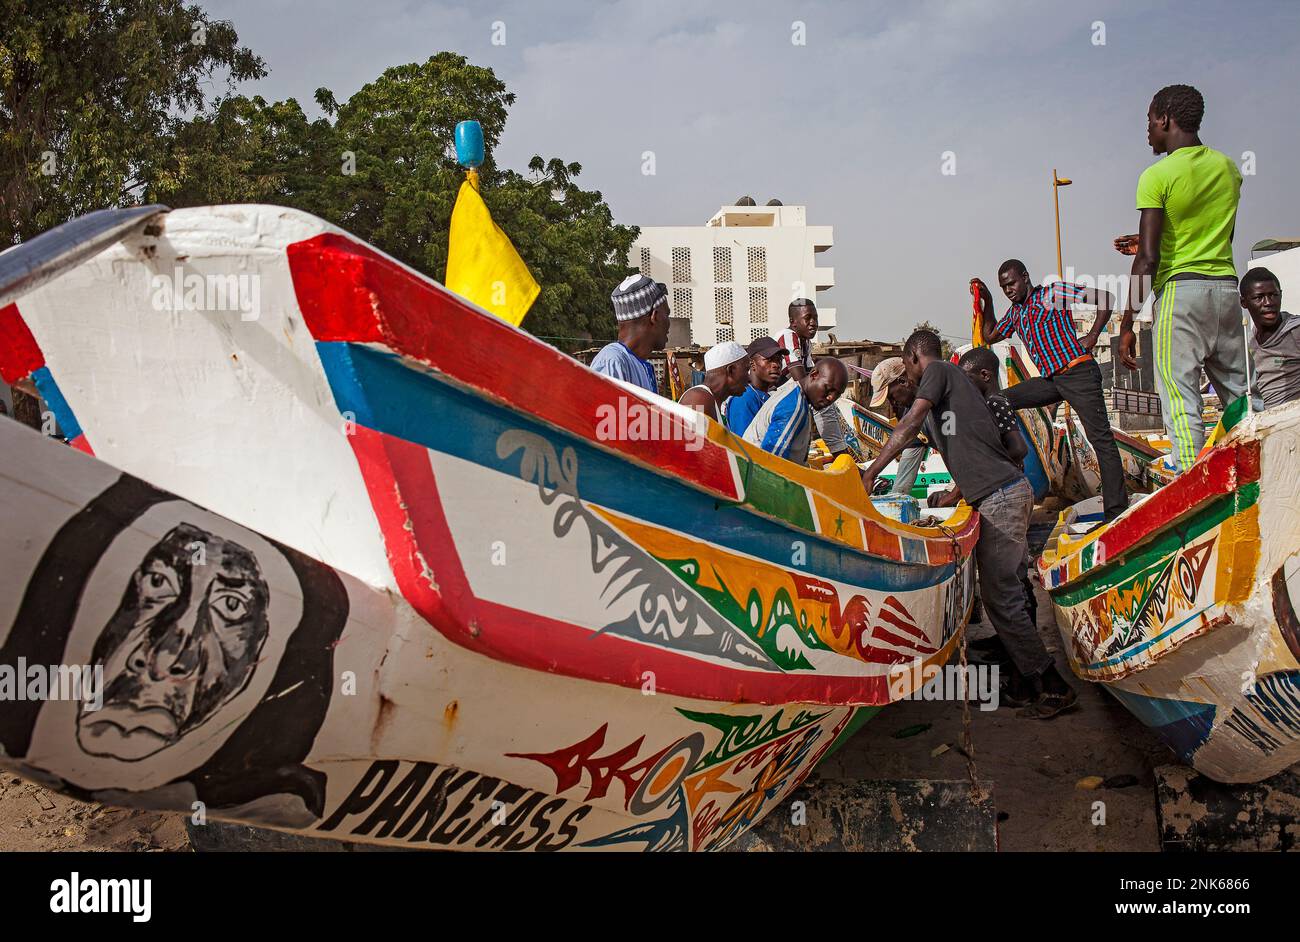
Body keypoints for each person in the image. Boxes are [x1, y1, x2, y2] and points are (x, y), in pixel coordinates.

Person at [861, 330, 1076, 718]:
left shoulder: (939, 370)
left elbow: (910, 424)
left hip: (1002, 497)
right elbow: (976, 445)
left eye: (894, 396)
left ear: (911, 365)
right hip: (999, 494)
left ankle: (1052, 685)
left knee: (1002, 597)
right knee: (1004, 595)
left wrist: (871, 471)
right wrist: (955, 495)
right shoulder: (947, 406)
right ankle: (1027, 684)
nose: (895, 407)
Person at [1114, 83, 1246, 472]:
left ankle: (1190, 479)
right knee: (1240, 393)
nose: (1148, 131)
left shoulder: (1157, 176)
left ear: (1165, 119)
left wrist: (1127, 322)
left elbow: (1148, 260)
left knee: (1179, 393)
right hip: (1225, 288)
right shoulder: (1228, 168)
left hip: (1179, 293)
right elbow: (1221, 234)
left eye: (1150, 121)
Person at [975, 261, 1126, 521]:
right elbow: (989, 335)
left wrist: (1091, 336)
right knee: (999, 401)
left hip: (1078, 373)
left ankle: (1116, 514)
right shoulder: (1015, 313)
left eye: (1011, 283)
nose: (1008, 290)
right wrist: (987, 299)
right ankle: (1016, 458)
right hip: (1051, 380)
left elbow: (1105, 298)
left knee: (1101, 440)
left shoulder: (1052, 294)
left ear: (1025, 277)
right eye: (1003, 287)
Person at [779, 299, 854, 458]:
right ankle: (840, 454)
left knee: (826, 402)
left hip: (787, 393)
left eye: (815, 318)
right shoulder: (788, 336)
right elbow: (801, 379)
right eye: (808, 318)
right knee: (823, 405)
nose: (813, 323)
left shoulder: (805, 341)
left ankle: (840, 452)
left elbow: (810, 375)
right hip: (774, 394)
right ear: (793, 322)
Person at [743, 358, 848, 466]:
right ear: (814, 375)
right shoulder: (793, 406)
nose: (831, 398)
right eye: (828, 388)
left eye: (837, 394)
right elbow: (771, 464)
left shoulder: (796, 395)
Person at [590, 274, 671, 393]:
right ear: (655, 316)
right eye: (667, 315)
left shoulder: (641, 365)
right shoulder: (612, 362)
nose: (669, 323)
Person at [868, 356, 929, 497]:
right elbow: (911, 454)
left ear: (903, 381)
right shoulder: (909, 412)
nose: (892, 403)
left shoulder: (940, 399)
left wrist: (954, 493)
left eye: (891, 396)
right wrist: (896, 497)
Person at [1241, 267, 1300, 410]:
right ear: (1244, 302)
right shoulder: (1248, 343)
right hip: (1265, 424)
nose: (1268, 302)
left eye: (1274, 295)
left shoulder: (1296, 330)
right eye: (1259, 297)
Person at [727, 336, 788, 436]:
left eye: (778, 360)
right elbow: (744, 444)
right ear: (752, 364)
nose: (776, 365)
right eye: (769, 359)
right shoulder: (744, 398)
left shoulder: (764, 395)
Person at [678, 341, 751, 421]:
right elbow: (690, 433)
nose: (749, 379)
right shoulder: (698, 399)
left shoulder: (711, 400)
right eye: (746, 370)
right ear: (731, 370)